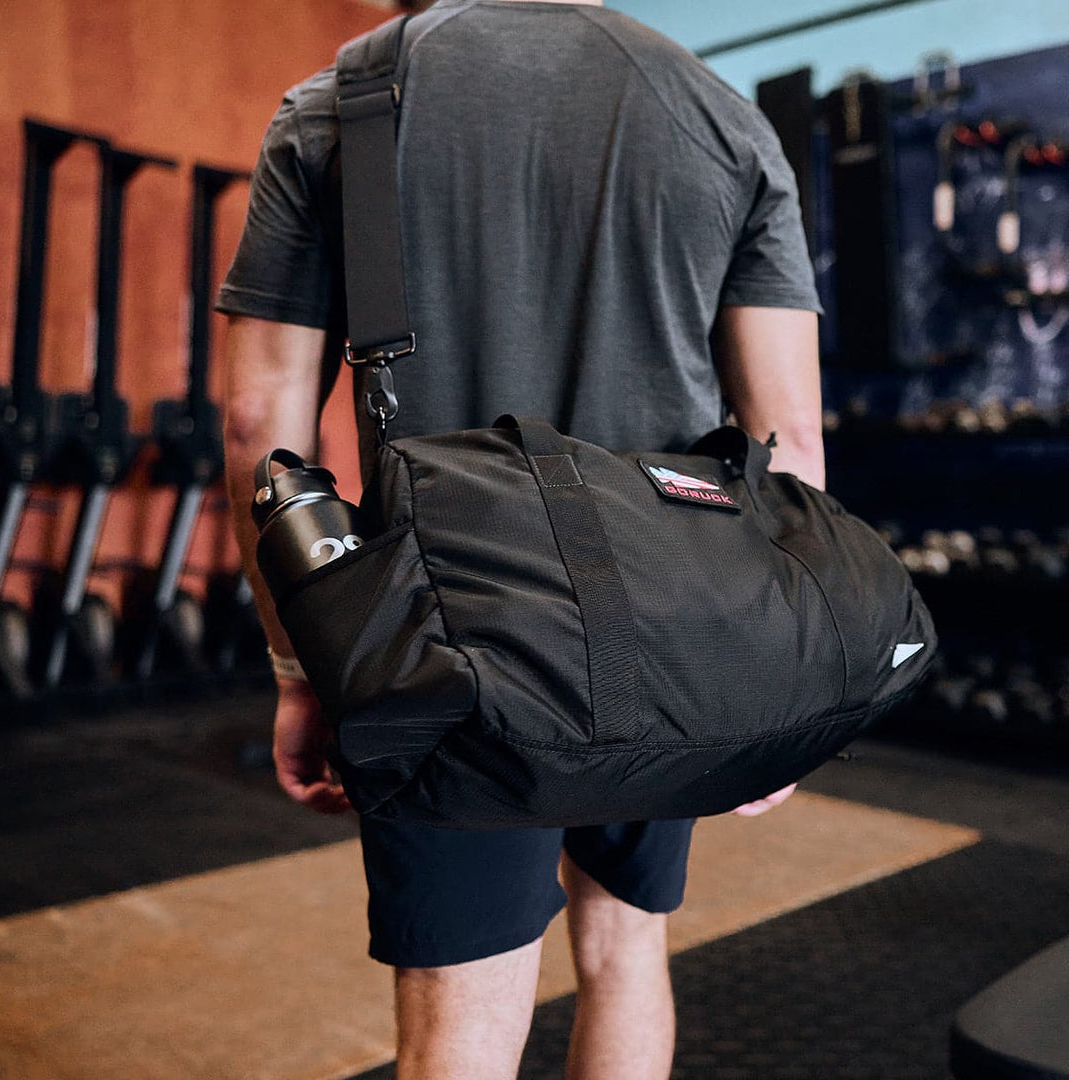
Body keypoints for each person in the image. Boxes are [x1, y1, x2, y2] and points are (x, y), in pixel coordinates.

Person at [216, 1, 823, 1077]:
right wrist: (783, 694)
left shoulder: (336, 107)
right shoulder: (724, 117)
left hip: (447, 641)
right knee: (629, 947)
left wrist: (298, 665)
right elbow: (790, 444)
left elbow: (262, 428)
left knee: (462, 1014)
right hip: (673, 620)